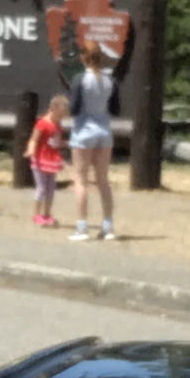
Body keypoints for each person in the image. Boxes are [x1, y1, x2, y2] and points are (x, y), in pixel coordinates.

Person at [65, 51, 118, 243]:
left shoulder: (80, 79)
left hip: (84, 131)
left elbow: (73, 109)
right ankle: (108, 226)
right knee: (103, 181)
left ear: (83, 58)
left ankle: (82, 226)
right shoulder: (110, 80)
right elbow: (115, 109)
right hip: (104, 131)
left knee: (81, 180)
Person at [29, 95, 69, 228]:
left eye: (62, 116)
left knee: (51, 188)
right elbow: (34, 139)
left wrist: (65, 143)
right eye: (59, 115)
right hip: (40, 159)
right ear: (52, 109)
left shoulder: (57, 125)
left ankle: (47, 214)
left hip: (52, 159)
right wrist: (31, 150)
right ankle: (36, 214)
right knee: (41, 188)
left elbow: (56, 141)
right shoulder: (42, 123)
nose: (61, 118)